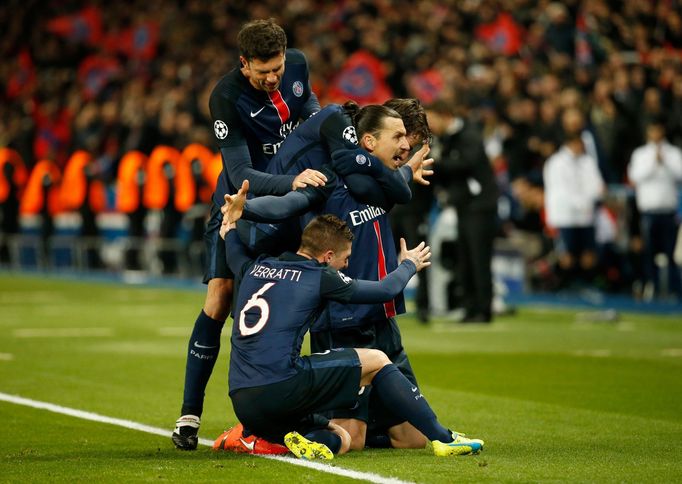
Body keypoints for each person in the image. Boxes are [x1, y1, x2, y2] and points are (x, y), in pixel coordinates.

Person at [228, 103, 435, 451]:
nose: (405, 148)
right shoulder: (328, 178)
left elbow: (398, 182)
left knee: (413, 440)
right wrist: (245, 207)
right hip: (342, 319)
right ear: (368, 141)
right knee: (348, 441)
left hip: (381, 315)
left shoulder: (384, 184)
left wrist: (405, 170)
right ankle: (261, 434)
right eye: (398, 138)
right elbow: (287, 205)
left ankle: (355, 427)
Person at [220, 192, 484, 459]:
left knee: (342, 438)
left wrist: (229, 226)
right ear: (328, 255)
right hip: (282, 385)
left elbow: (232, 250)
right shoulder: (319, 276)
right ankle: (444, 438)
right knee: (378, 359)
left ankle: (302, 441)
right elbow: (385, 289)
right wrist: (408, 264)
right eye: (345, 259)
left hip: (242, 398)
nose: (347, 266)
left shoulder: (252, 267)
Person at [172, 18, 327, 450]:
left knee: (311, 293)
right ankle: (189, 413)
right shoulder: (225, 96)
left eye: (277, 68)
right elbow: (240, 173)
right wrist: (292, 181)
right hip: (238, 205)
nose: (274, 78)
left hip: (293, 203)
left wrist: (315, 127)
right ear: (244, 64)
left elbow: (310, 108)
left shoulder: (297, 65)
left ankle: (320, 407)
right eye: (263, 72)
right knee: (221, 296)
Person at [426, 100, 499, 323]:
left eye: (432, 120)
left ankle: (483, 310)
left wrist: (436, 162)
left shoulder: (468, 134)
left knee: (478, 258)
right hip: (465, 206)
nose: (430, 126)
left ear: (444, 115)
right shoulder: (449, 139)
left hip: (480, 206)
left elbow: (466, 163)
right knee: (465, 258)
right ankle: (470, 308)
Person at [543, 107, 606, 289]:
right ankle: (564, 286)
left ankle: (585, 285)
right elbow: (560, 190)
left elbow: (597, 185)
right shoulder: (556, 163)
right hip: (565, 216)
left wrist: (590, 200)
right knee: (567, 255)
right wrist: (582, 202)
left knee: (588, 254)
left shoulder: (587, 162)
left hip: (586, 216)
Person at [627, 117, 682, 300]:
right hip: (648, 212)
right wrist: (653, 163)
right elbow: (635, 177)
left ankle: (674, 291)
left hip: (668, 211)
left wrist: (665, 161)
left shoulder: (674, 153)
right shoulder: (640, 154)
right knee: (648, 253)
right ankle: (651, 288)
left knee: (670, 253)